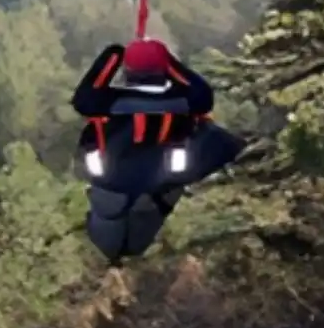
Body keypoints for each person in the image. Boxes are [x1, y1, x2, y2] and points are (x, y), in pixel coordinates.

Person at [69, 34, 243, 262]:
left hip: (112, 181)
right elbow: (203, 94)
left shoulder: (105, 102)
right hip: (159, 181)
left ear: (128, 72)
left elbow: (82, 98)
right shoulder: (184, 102)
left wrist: (115, 53)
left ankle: (115, 256)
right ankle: (131, 245)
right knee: (141, 231)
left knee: (108, 231)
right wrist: (165, 59)